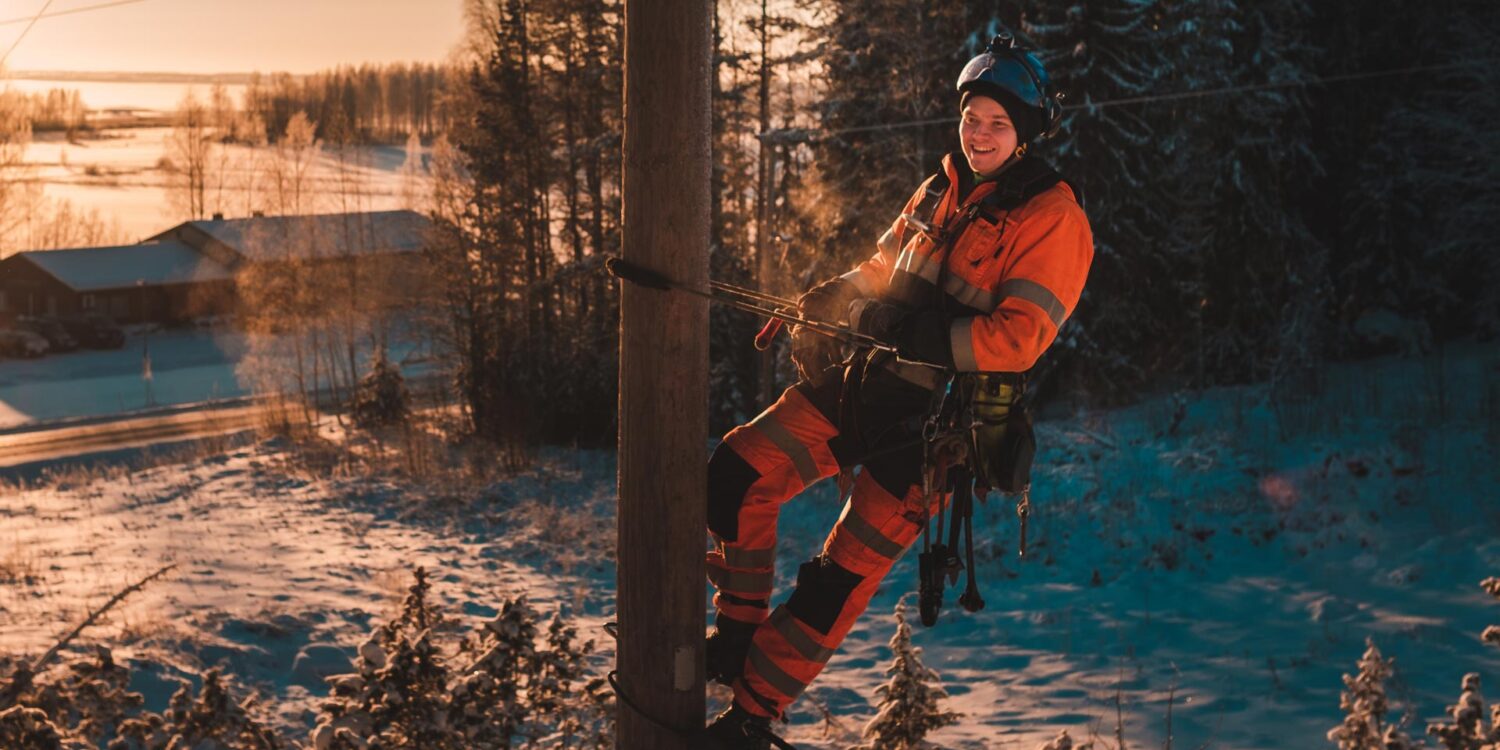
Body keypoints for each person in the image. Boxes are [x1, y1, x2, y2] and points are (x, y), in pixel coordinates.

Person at [702, 31, 1094, 748]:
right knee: (736, 471)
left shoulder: (1052, 217)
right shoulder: (939, 186)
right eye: (973, 117)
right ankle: (734, 632)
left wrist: (909, 332)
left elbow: (1017, 339)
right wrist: (832, 296)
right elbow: (882, 267)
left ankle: (751, 715)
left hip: (931, 438)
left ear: (1026, 134)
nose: (979, 133)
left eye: (997, 123)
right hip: (862, 387)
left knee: (832, 585)